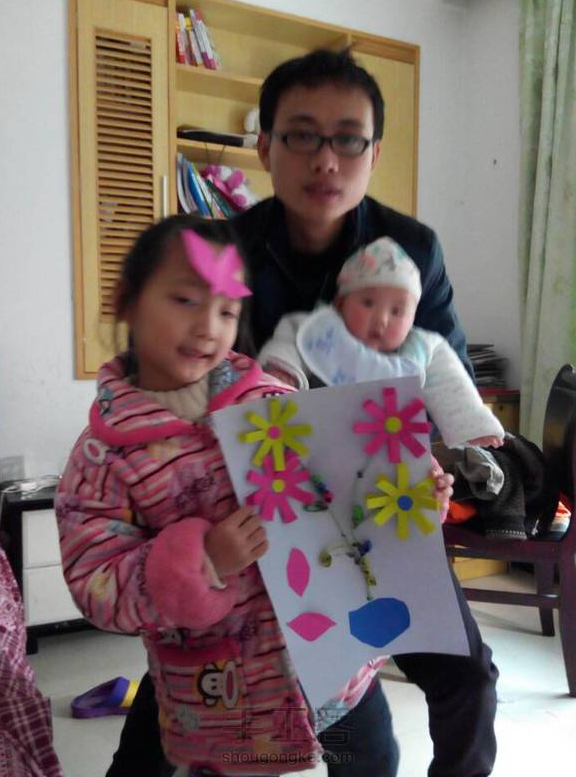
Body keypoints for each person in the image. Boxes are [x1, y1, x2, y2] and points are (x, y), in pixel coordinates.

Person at [108, 49, 498, 777]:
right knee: (184, 680)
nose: (326, 159)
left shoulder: (411, 251)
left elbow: (442, 377)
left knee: (466, 674)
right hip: (251, 508)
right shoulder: (224, 250)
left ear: (374, 153)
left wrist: (435, 465)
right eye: (302, 135)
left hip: (375, 505)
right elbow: (174, 378)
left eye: (348, 138)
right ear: (264, 146)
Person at [58, 215, 452, 777]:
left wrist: (411, 492)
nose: (208, 327)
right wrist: (203, 561)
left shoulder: (273, 404)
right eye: (185, 300)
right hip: (220, 695)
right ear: (127, 301)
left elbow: (346, 492)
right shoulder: (104, 457)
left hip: (340, 663)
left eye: (227, 311)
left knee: (373, 760)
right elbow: (98, 585)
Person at [259, 235, 505, 450]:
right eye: (368, 303)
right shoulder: (322, 333)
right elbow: (288, 341)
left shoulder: (422, 348)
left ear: (413, 318)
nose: (381, 320)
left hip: (389, 452)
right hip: (319, 444)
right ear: (340, 304)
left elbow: (452, 385)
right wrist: (282, 372)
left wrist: (473, 425)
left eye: (397, 311)